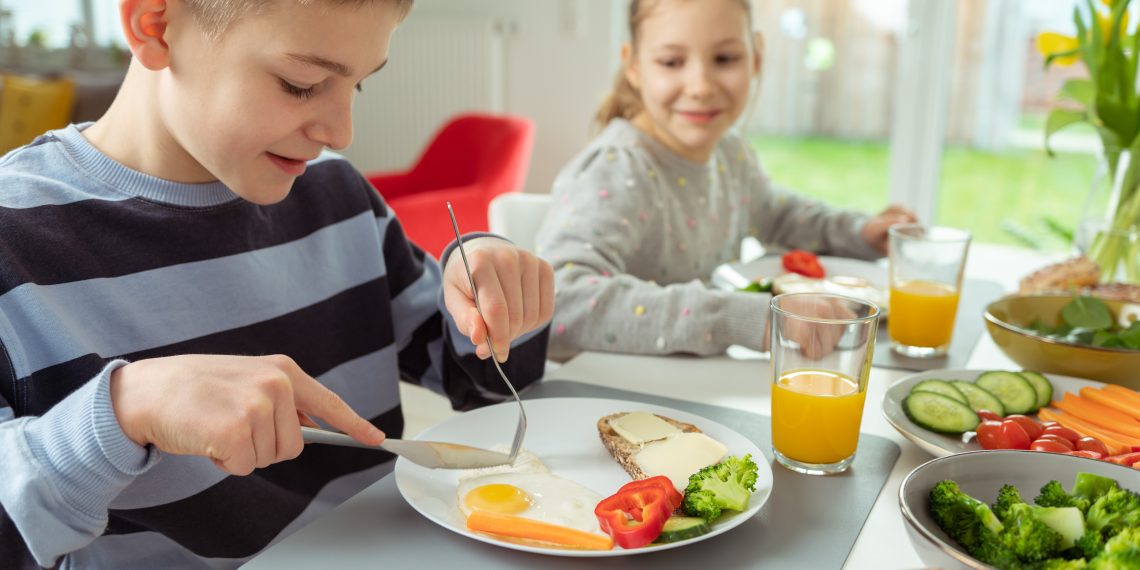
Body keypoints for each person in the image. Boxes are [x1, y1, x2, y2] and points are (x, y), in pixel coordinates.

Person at [0, 0, 554, 567]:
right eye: (301, 84)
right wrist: (123, 412)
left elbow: (484, 380)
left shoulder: (339, 199)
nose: (341, 132)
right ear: (156, 26)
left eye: (357, 85)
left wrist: (498, 292)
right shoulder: (13, 238)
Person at [535, 0, 915, 361]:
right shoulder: (618, 169)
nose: (700, 86)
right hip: (611, 398)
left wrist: (860, 232)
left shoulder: (730, 154)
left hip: (697, 390)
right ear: (633, 66)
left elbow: (781, 214)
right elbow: (562, 300)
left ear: (757, 58)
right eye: (671, 61)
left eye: (725, 58)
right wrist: (748, 318)